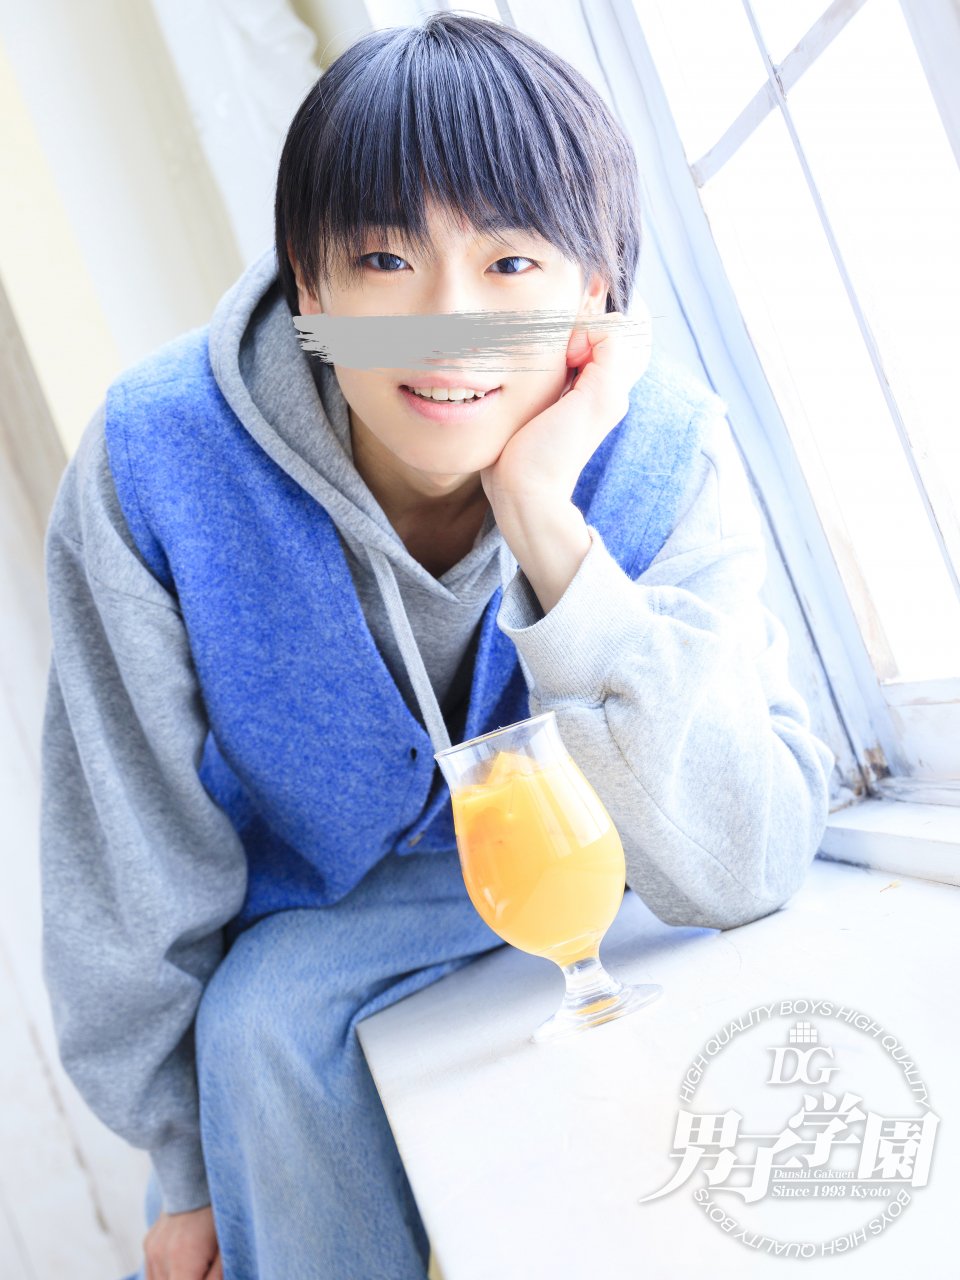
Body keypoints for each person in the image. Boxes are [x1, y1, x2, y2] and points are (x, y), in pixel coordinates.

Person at [38, 12, 836, 1280]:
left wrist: (545, 519)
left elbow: (741, 855)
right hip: (332, 915)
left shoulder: (664, 443)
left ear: (596, 293)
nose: (446, 325)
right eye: (383, 259)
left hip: (626, 849)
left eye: (512, 261)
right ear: (311, 291)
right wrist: (185, 1169)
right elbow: (133, 847)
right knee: (261, 1011)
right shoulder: (158, 460)